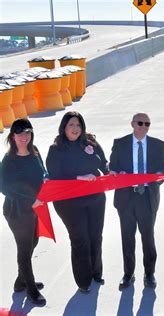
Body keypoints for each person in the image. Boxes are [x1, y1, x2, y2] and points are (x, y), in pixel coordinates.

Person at [46, 111, 108, 293]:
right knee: (80, 239)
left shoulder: (90, 143)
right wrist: (78, 177)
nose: (75, 129)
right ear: (64, 127)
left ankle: (96, 272)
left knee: (96, 236)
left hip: (95, 197)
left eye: (78, 125)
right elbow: (54, 176)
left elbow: (103, 163)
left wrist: (111, 171)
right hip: (69, 202)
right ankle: (83, 281)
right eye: (71, 125)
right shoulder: (56, 149)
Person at [109, 113, 164, 290]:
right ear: (132, 124)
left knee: (148, 238)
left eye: (147, 124)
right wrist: (116, 173)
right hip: (126, 197)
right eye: (140, 123)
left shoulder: (158, 145)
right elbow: (112, 166)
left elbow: (163, 169)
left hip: (147, 197)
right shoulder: (120, 143)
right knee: (127, 237)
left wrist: (159, 177)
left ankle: (149, 274)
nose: (143, 126)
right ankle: (128, 274)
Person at [1, 118, 47, 305]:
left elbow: (43, 173)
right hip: (17, 211)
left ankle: (21, 281)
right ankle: (31, 288)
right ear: (12, 136)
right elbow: (4, 187)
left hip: (36, 208)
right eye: (19, 134)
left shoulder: (35, 152)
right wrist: (31, 200)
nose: (24, 137)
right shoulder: (9, 160)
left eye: (27, 133)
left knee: (34, 241)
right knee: (25, 247)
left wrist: (47, 183)